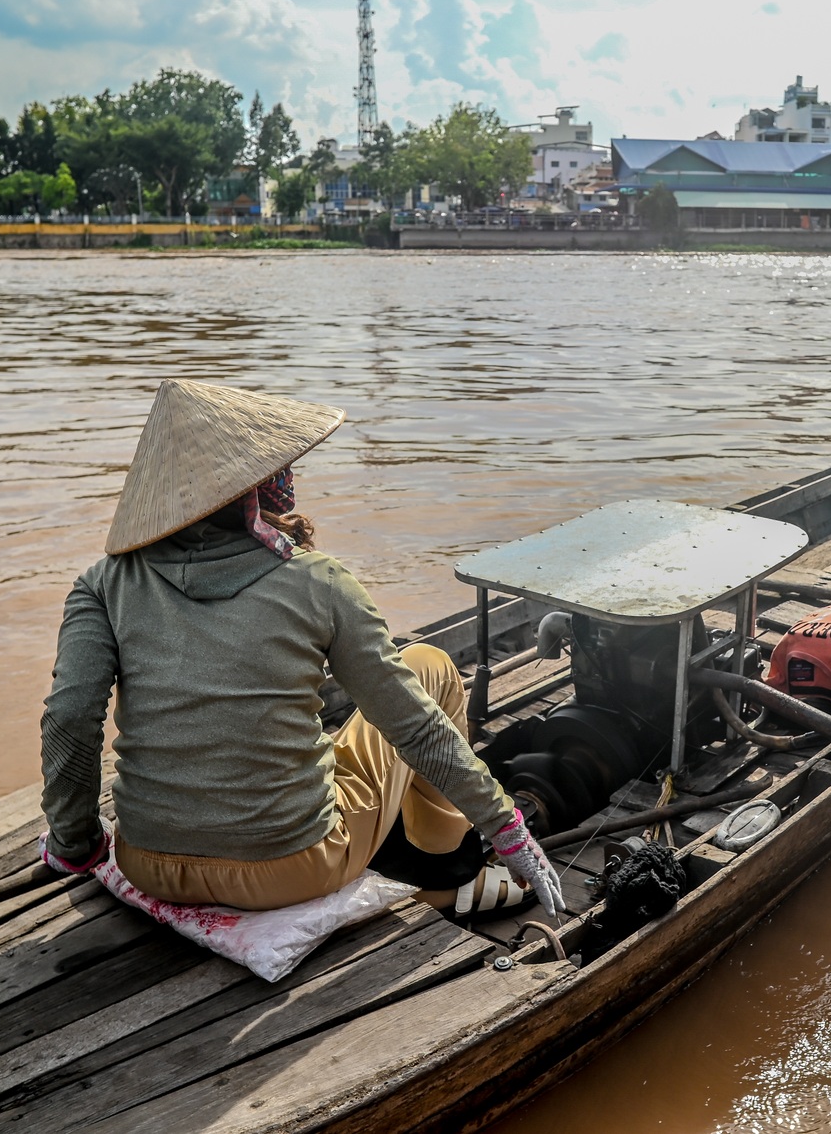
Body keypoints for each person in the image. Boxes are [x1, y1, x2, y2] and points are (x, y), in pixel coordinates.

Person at [36, 378, 563, 919]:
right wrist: (507, 828)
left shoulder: (102, 582)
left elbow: (70, 720)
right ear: (255, 488)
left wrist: (76, 845)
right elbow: (414, 726)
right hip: (293, 867)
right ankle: (445, 875)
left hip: (149, 864)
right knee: (429, 667)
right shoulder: (318, 581)